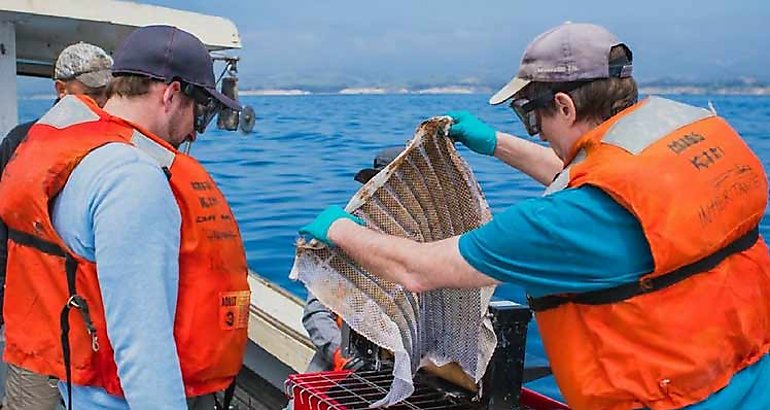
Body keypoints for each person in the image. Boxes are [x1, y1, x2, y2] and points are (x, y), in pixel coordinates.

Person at [299, 22, 770, 409]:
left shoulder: (556, 226)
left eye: (532, 118)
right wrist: (497, 144)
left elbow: (415, 269)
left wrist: (342, 229)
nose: (538, 133)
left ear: (563, 106)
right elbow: (597, 185)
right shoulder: (686, 140)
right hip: (752, 378)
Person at [0, 25, 249, 409]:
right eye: (200, 113)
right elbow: (143, 346)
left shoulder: (87, 158)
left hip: (80, 393)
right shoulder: (132, 179)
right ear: (171, 94)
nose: (195, 134)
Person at [0, 41, 113, 410]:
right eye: (93, 93)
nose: (101, 102)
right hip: (39, 329)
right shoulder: (21, 144)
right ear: (60, 90)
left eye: (107, 93)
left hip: (96, 330)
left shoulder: (117, 148)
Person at [302, 147, 401, 373]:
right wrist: (339, 353)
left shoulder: (429, 247)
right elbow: (316, 312)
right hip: (341, 366)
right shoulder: (344, 236)